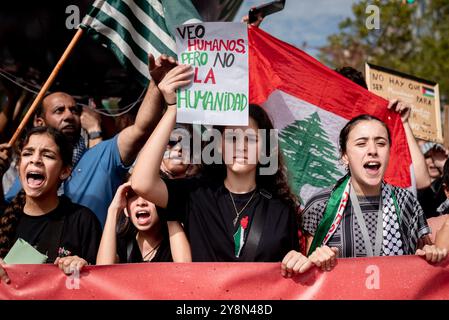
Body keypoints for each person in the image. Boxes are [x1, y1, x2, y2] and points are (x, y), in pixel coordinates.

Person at [131, 64, 313, 277]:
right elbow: (141, 182)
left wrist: (298, 260)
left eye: (251, 139)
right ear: (218, 145)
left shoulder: (281, 209)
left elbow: (290, 275)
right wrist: (172, 108)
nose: (241, 146)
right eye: (232, 137)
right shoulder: (196, 194)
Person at [3, 55, 177, 226]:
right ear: (39, 122)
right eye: (59, 111)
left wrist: (155, 85)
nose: (69, 116)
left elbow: (141, 129)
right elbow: (6, 216)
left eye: (74, 110)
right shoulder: (33, 168)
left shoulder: (103, 156)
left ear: (65, 171)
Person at [303, 114, 447, 269]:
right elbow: (308, 272)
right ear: (345, 155)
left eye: (381, 143)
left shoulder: (406, 201)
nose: (373, 150)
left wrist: (430, 253)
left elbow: (422, 260)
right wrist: (315, 259)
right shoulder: (321, 204)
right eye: (361, 143)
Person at [0, 126, 102, 284]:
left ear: (65, 171)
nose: (35, 160)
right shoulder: (4, 217)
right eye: (28, 153)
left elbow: (101, 285)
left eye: (47, 155)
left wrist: (84, 269)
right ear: (18, 166)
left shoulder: (81, 220)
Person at [96, 181, 191, 264]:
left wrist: (168, 206)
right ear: (126, 210)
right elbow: (103, 270)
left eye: (149, 194)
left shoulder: (177, 241)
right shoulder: (121, 242)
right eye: (133, 195)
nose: (141, 202)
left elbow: (186, 270)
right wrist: (113, 210)